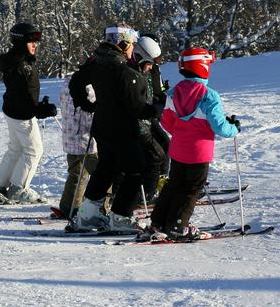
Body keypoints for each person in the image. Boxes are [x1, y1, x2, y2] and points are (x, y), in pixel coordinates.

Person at [71, 25, 156, 233]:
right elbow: (136, 107)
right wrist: (157, 109)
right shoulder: (123, 71)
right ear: (123, 44)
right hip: (123, 129)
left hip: (102, 125)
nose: (132, 50)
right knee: (136, 168)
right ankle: (120, 216)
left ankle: (87, 215)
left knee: (106, 169)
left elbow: (76, 82)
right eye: (131, 45)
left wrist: (87, 104)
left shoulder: (96, 63)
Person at [149, 47, 240, 240]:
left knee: (174, 184)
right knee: (191, 188)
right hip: (199, 152)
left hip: (179, 148)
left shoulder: (173, 93)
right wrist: (234, 129)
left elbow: (166, 121)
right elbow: (219, 126)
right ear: (202, 66)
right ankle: (178, 225)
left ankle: (158, 222)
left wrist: (182, 133)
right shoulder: (208, 95)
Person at [0, 22, 57, 204]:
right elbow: (21, 95)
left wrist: (38, 107)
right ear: (20, 42)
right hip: (21, 114)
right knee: (34, 151)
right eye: (31, 41)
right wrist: (38, 109)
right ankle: (18, 189)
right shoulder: (21, 65)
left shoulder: (18, 61)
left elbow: (21, 94)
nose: (35, 45)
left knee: (15, 149)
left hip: (13, 111)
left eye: (36, 41)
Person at [133, 35, 169, 202]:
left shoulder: (151, 66)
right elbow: (150, 92)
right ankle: (149, 190)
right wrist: (158, 102)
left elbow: (156, 88)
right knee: (157, 151)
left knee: (163, 146)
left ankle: (158, 184)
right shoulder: (141, 68)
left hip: (150, 114)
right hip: (144, 117)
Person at [57, 80, 98, 219]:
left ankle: (69, 206)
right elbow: (89, 115)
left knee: (76, 174)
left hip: (70, 138)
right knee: (100, 173)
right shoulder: (88, 88)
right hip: (86, 141)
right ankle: (103, 207)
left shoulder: (66, 85)